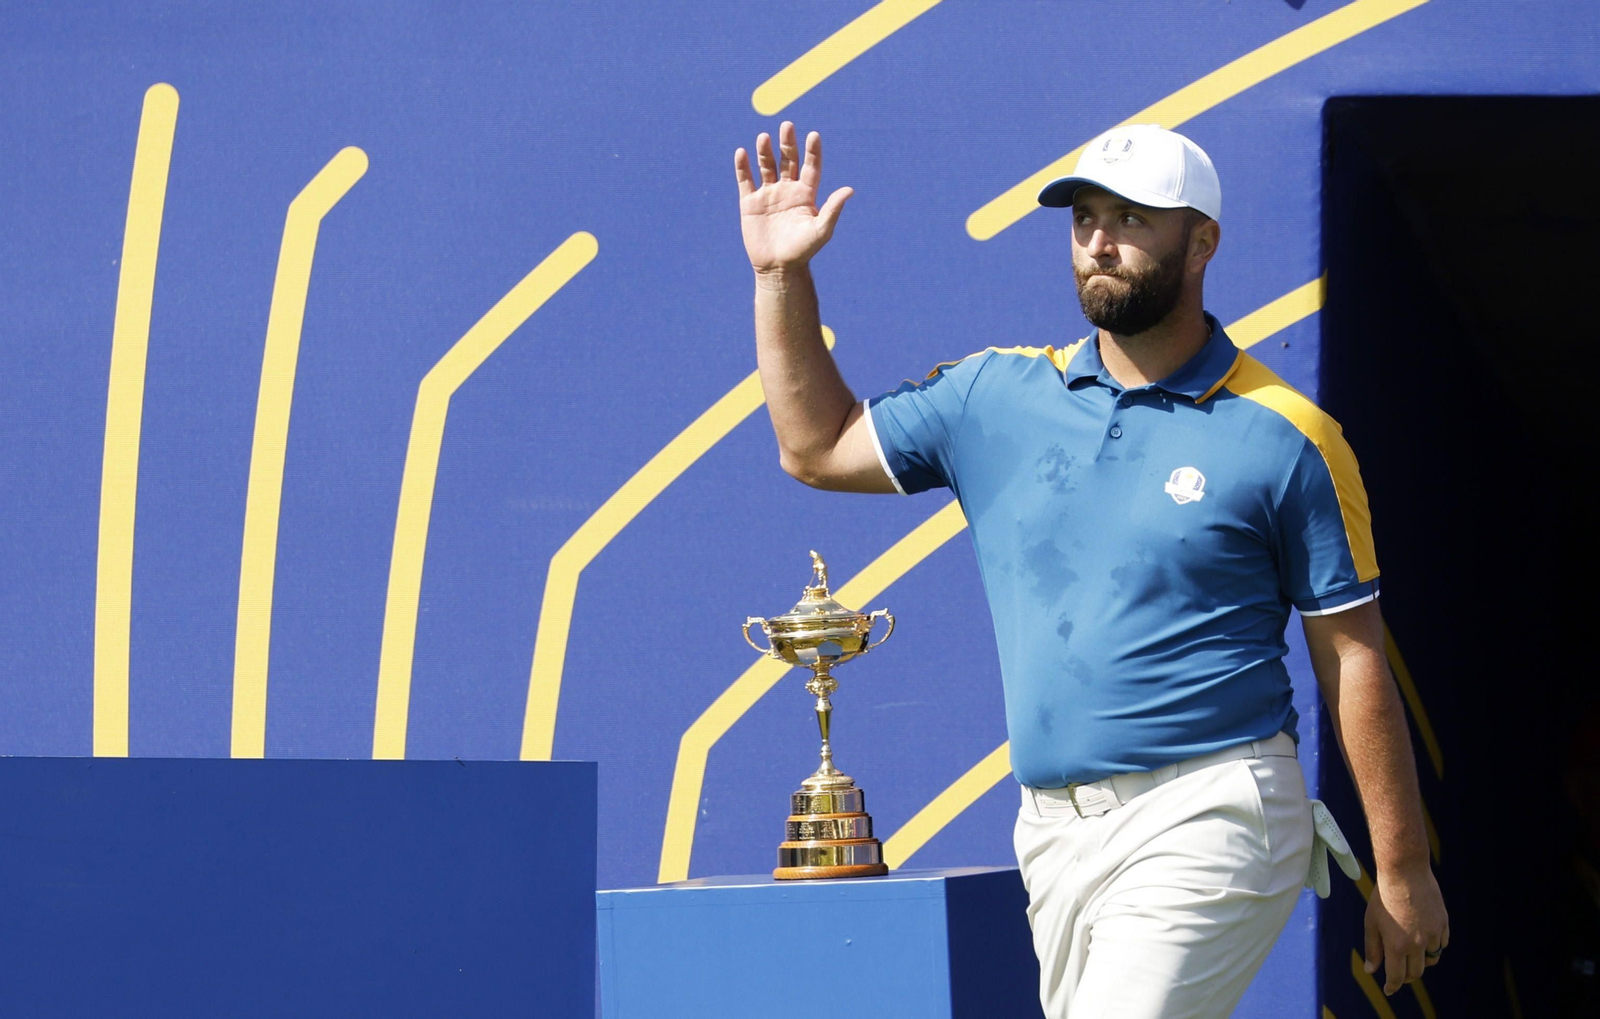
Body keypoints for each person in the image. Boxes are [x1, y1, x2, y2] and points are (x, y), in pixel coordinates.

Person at [734, 119, 1449, 1017]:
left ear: (1203, 243)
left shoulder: (1290, 437)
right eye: (1083, 219)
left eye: (1131, 218)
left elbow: (1351, 656)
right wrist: (780, 275)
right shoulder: (994, 395)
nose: (1099, 241)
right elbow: (816, 443)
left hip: (1217, 806)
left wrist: (1403, 863)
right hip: (1052, 833)